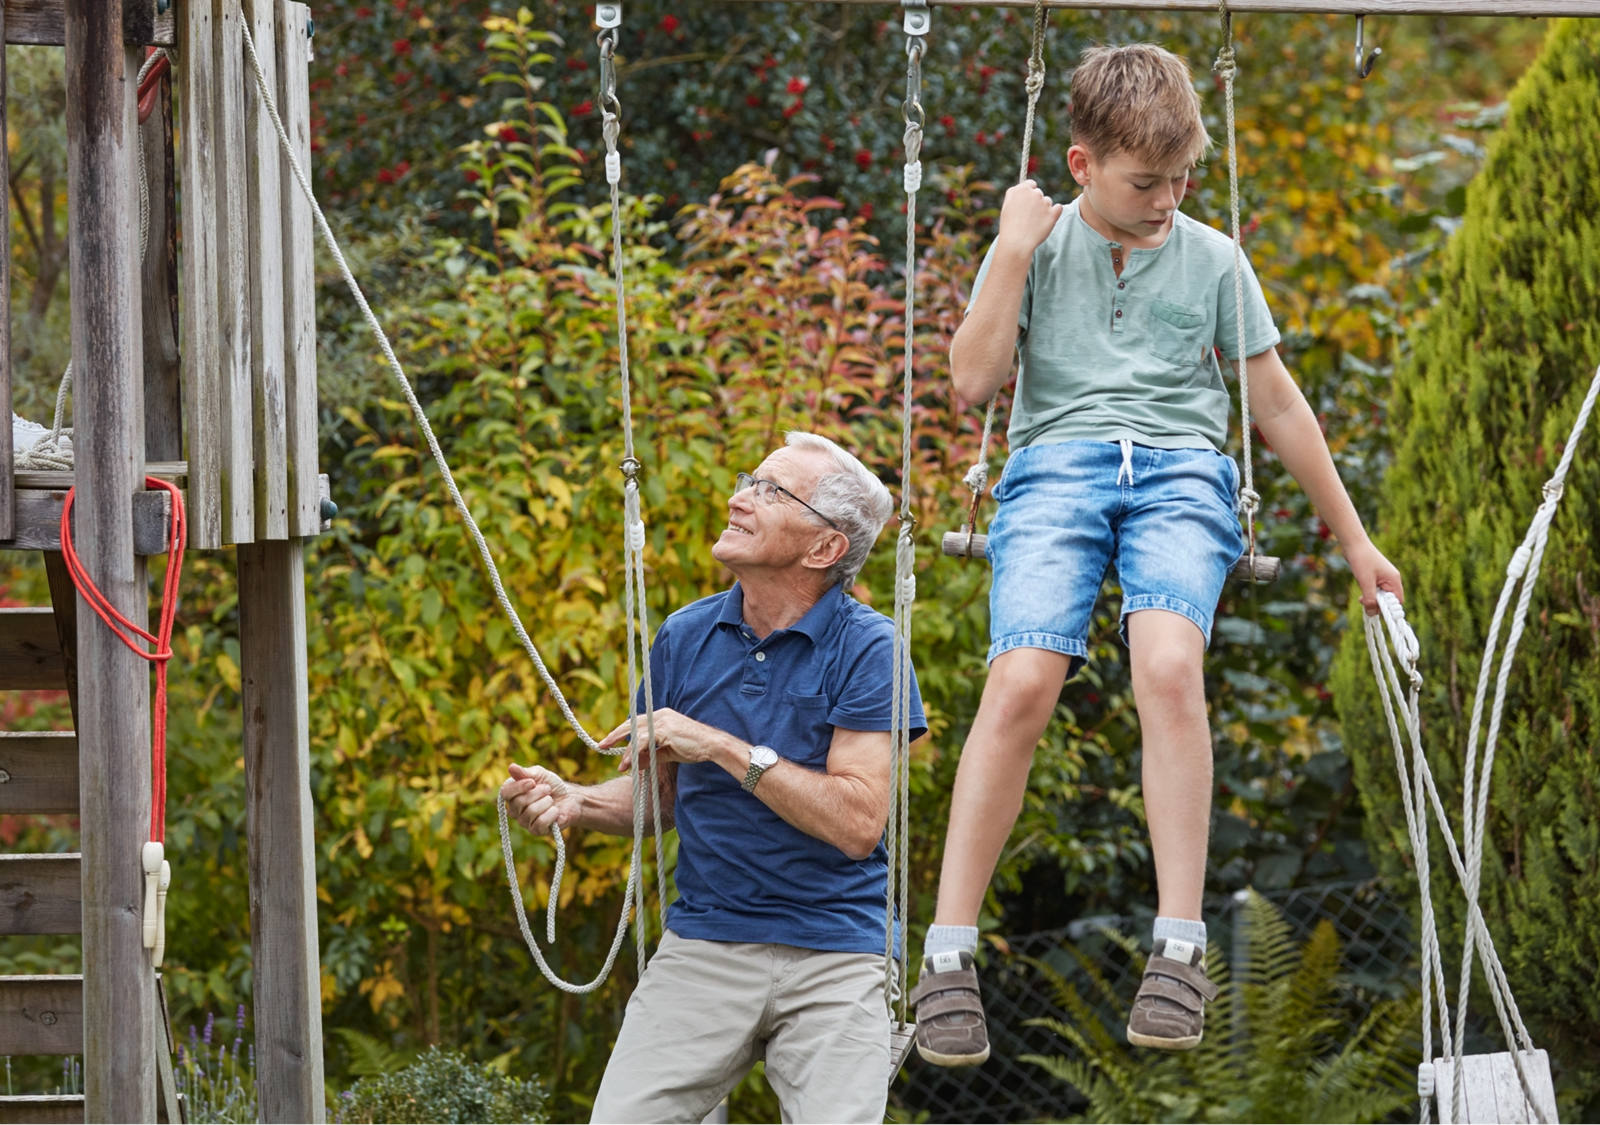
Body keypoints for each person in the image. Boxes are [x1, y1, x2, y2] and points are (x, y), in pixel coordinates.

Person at [911, 43, 1404, 1066]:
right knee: (1020, 682)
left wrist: (1353, 539)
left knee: (1169, 667)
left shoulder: (1213, 257)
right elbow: (970, 382)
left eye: (1182, 177)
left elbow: (1271, 398)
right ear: (1082, 163)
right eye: (1146, 182)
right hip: (1055, 469)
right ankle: (948, 958)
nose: (1168, 198)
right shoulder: (1038, 245)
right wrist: (1009, 249)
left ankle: (1177, 948)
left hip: (1182, 471)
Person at [501, 431, 926, 1123]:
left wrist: (722, 746)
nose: (738, 498)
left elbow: (856, 823)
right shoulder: (684, 635)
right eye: (748, 480)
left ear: (824, 549)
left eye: (770, 491)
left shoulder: (871, 646)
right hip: (707, 939)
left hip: (838, 950)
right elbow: (657, 799)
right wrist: (575, 799)